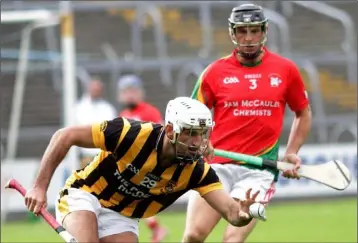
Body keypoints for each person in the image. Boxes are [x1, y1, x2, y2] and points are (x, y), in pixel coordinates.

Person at [24, 97, 265, 243]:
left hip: (124, 214)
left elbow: (232, 213)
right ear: (170, 130)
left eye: (201, 134)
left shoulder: (197, 171)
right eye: (190, 132)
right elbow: (64, 135)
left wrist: (243, 215)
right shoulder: (131, 132)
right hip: (86, 194)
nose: (196, 142)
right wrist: (39, 186)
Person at [183, 4, 312, 243]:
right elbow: (190, 114)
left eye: (255, 30)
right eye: (242, 31)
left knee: (232, 240)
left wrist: (292, 152)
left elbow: (303, 112)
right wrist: (200, 140)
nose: (249, 38)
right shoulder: (214, 72)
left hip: (259, 173)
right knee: (193, 236)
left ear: (265, 32)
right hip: (216, 166)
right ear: (232, 33)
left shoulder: (286, 70)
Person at [117, 74, 166, 242]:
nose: (129, 95)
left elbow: (162, 137)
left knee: (134, 198)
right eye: (125, 91)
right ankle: (156, 229)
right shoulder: (123, 114)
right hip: (130, 164)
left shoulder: (149, 111)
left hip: (147, 164)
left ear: (140, 92)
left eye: (132, 90)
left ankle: (155, 230)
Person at [75, 77, 117, 168]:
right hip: (85, 155)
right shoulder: (78, 108)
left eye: (98, 88)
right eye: (94, 88)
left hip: (104, 156)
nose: (96, 90)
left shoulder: (108, 108)